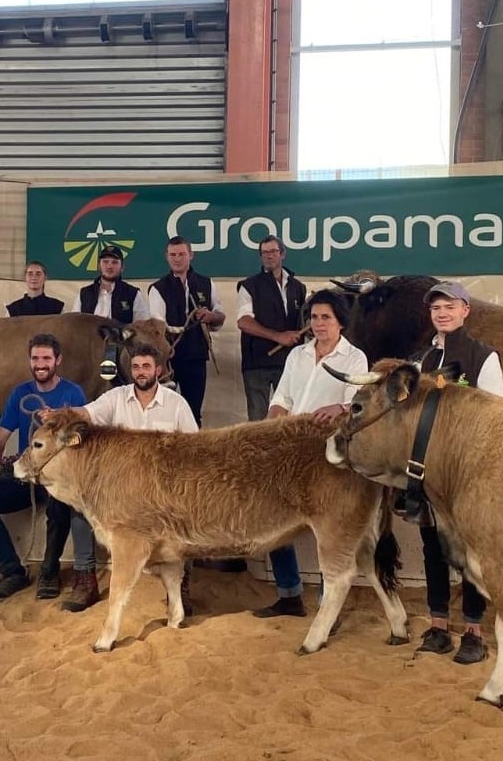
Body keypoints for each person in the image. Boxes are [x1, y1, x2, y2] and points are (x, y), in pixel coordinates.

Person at [404, 279, 503, 665]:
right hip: (429, 472)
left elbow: (496, 413)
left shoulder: (483, 357)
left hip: (467, 473)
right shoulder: (419, 360)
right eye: (435, 308)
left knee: (468, 552)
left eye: (449, 306)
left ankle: (474, 632)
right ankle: (438, 626)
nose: (442, 313)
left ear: (466, 310)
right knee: (433, 547)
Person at [253, 290, 369, 619]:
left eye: (325, 317)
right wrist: (270, 424)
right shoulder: (297, 355)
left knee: (327, 530)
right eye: (314, 317)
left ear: (341, 322)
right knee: (274, 521)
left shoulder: (355, 359)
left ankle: (325, 607)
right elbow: (283, 398)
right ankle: (288, 593)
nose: (318, 324)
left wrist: (341, 407)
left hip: (327, 454)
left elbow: (358, 406)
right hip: (289, 450)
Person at [0, 332, 99, 611]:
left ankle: (49, 572)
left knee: (58, 509)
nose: (41, 364)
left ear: (58, 361)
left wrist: (56, 419)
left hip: (58, 477)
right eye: (36, 358)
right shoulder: (20, 394)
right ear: (29, 360)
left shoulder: (72, 393)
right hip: (27, 475)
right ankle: (12, 572)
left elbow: (81, 439)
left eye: (46, 358)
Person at [80, 340, 199, 610]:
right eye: (136, 367)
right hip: (122, 490)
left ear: (158, 370)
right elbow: (88, 413)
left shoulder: (176, 403)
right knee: (80, 510)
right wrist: (64, 414)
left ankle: (181, 586)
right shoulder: (116, 397)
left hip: (166, 488)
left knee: (185, 517)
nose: (141, 372)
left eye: (146, 366)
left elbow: (194, 448)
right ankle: (85, 578)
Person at [147, 236, 225, 425]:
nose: (177, 258)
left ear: (191, 255)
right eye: (173, 254)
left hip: (196, 357)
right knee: (164, 412)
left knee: (193, 411)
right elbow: (158, 326)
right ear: (167, 257)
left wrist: (210, 316)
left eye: (181, 254)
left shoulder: (207, 284)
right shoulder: (157, 288)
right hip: (168, 361)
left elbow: (220, 315)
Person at [235, 235, 308, 421]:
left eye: (273, 251)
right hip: (257, 363)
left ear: (282, 254)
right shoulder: (248, 286)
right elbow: (243, 321)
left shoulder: (298, 287)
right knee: (258, 420)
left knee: (290, 417)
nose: (269, 256)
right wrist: (278, 337)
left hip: (289, 363)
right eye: (264, 253)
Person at [69, 244, 151, 322]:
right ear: (98, 266)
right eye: (105, 262)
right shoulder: (84, 294)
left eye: (114, 262)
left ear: (122, 267)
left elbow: (142, 328)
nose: (109, 266)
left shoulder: (132, 294)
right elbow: (73, 324)